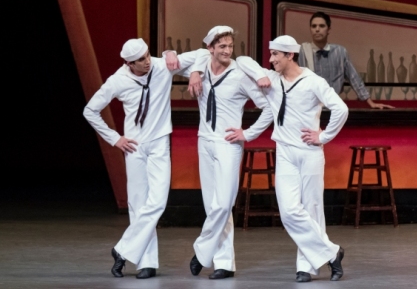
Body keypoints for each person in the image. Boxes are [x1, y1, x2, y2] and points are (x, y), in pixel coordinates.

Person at [83, 38, 207, 279]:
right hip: (134, 146)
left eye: (148, 54)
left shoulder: (162, 65)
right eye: (140, 60)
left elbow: (202, 53)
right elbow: (90, 110)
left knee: (158, 202)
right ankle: (146, 263)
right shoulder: (118, 81)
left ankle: (122, 250)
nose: (147, 61)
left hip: (160, 143)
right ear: (128, 63)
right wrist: (114, 138)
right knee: (138, 204)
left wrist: (193, 72)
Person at [234, 35, 348, 282]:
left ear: (290, 55)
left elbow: (341, 108)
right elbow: (242, 59)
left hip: (309, 153)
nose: (271, 59)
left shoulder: (313, 82)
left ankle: (305, 267)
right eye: (271, 54)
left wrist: (324, 136)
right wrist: (260, 74)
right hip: (285, 151)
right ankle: (331, 253)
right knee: (288, 212)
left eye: (276, 54)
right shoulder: (272, 79)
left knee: (313, 208)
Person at [187, 26, 273, 280]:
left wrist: (247, 133)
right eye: (221, 46)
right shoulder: (201, 68)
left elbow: (267, 108)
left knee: (224, 203)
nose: (227, 51)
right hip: (205, 141)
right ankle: (223, 263)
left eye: (230, 46)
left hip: (228, 143)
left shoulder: (241, 74)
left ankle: (202, 251)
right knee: (211, 204)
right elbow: (170, 61)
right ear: (210, 49)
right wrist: (190, 69)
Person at [298, 11, 394, 109]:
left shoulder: (340, 52)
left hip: (334, 108)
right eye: (314, 26)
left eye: (321, 26)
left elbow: (354, 78)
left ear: (329, 29)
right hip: (309, 109)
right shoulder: (302, 51)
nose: (317, 29)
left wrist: (370, 102)